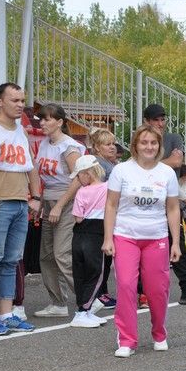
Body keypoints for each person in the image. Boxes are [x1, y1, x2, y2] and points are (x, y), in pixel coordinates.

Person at [103, 124, 182, 358]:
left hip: (156, 237)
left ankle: (159, 332)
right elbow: (111, 205)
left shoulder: (166, 173)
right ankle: (127, 339)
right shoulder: (121, 171)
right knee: (126, 285)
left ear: (159, 146)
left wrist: (175, 242)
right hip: (125, 235)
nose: (149, 147)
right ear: (135, 145)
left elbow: (173, 208)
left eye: (154, 143)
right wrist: (108, 237)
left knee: (157, 289)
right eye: (144, 142)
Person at [0, 82, 42, 335]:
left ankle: (6, 313)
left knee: (11, 260)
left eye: (22, 100)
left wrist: (35, 197)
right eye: (14, 100)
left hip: (19, 202)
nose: (20, 105)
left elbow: (31, 166)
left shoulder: (21, 131)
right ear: (0, 101)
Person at [142, 103, 186, 307]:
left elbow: (177, 162)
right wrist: (159, 163)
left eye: (163, 119)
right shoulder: (142, 140)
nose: (160, 124)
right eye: (156, 120)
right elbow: (141, 164)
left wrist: (151, 164)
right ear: (147, 121)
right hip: (147, 204)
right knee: (145, 249)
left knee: (177, 245)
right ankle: (143, 292)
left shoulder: (173, 138)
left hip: (171, 202)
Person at [34, 103, 86, 318]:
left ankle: (88, 296)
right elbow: (38, 174)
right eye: (41, 119)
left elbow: (80, 178)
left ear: (60, 122)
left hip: (66, 201)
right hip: (49, 201)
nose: (43, 123)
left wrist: (59, 204)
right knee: (46, 256)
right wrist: (40, 200)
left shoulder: (69, 147)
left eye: (47, 119)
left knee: (61, 254)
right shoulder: (45, 143)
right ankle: (58, 302)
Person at [69, 155, 110, 328]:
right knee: (96, 273)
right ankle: (83, 310)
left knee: (80, 272)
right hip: (96, 233)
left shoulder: (81, 192)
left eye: (78, 175)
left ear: (87, 174)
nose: (78, 179)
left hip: (79, 234)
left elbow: (78, 218)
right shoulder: (107, 188)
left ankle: (83, 310)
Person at [86, 127, 120, 309]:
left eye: (113, 143)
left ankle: (102, 292)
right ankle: (99, 294)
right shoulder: (99, 166)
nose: (112, 147)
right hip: (100, 216)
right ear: (97, 147)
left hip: (107, 214)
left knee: (105, 259)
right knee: (102, 258)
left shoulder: (109, 164)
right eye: (108, 144)